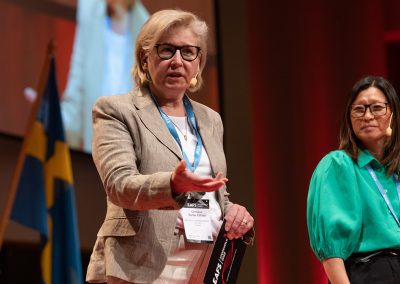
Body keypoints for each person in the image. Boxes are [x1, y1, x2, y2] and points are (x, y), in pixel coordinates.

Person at [86, 9, 255, 284]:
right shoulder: (115, 110)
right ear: (145, 58)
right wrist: (173, 185)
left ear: (198, 62)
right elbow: (119, 185)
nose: (178, 61)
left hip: (204, 266)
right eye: (166, 50)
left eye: (188, 52)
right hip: (142, 266)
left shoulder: (211, 119)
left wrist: (234, 211)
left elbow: (214, 194)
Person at [307, 76, 400, 284]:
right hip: (370, 272)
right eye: (359, 109)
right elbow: (331, 251)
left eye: (376, 108)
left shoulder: (396, 170)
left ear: (392, 114)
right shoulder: (338, 165)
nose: (367, 116)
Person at [60, 0, 149, 152]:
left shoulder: (148, 26)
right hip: (94, 146)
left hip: (128, 152)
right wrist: (52, 114)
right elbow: (76, 92)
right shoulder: (89, 10)